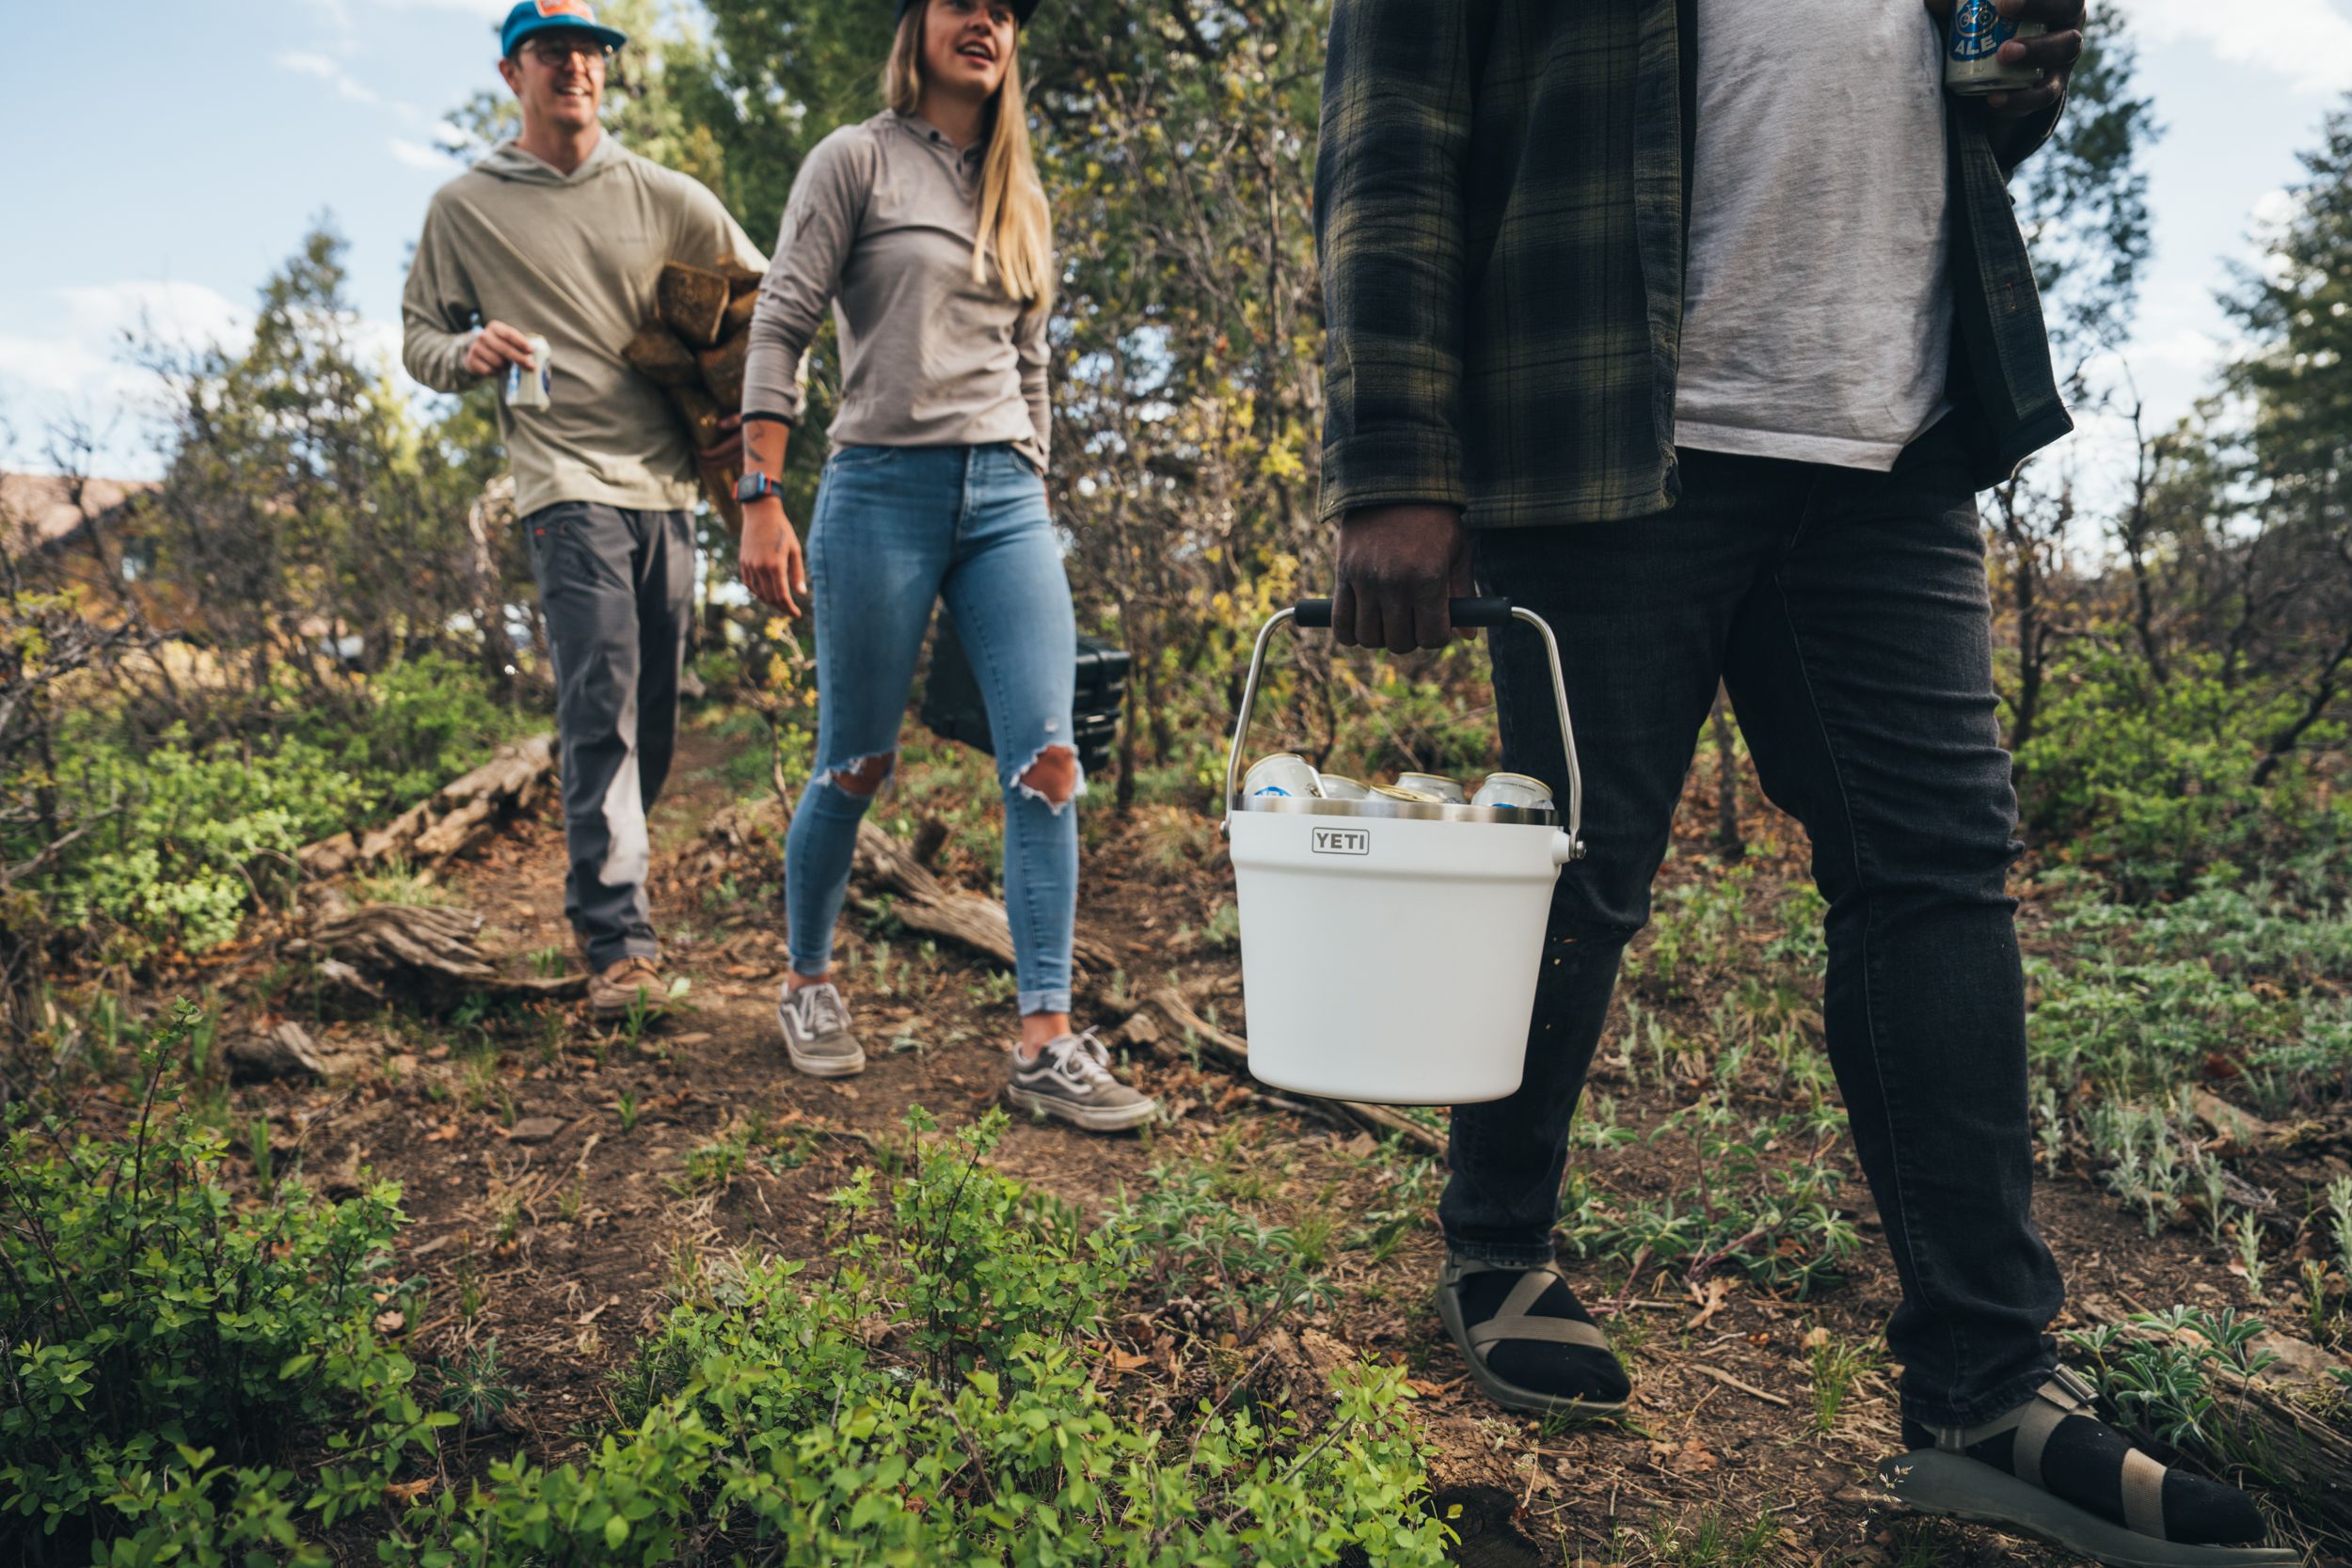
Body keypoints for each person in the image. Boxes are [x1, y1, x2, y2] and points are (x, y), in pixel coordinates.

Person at [1315, 1, 2290, 1561]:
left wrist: (2018, 88)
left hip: (1886, 435)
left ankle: (1988, 1390)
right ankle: (1495, 1243)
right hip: (1605, 419)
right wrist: (1391, 452)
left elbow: (1919, 113)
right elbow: (1392, 123)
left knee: (1939, 880)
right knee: (1577, 859)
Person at [735, 0, 1157, 1132]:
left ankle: (1044, 1038)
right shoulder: (855, 159)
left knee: (1050, 760)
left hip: (1006, 500)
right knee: (855, 761)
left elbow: (1032, 362)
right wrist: (760, 493)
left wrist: (1036, 478)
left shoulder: (1019, 191)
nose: (987, 21)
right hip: (879, 487)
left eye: (1007, 11)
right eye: (964, 2)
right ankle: (807, 980)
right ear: (918, 23)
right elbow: (780, 322)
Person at [403, 2, 765, 1020]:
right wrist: (464, 352)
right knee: (599, 692)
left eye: (591, 50)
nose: (575, 66)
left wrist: (732, 401)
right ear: (511, 73)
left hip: (667, 483)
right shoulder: (464, 207)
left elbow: (764, 298)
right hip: (561, 478)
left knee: (652, 711)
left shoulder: (664, 195)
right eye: (551, 51)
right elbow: (421, 337)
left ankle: (621, 882)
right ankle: (617, 939)